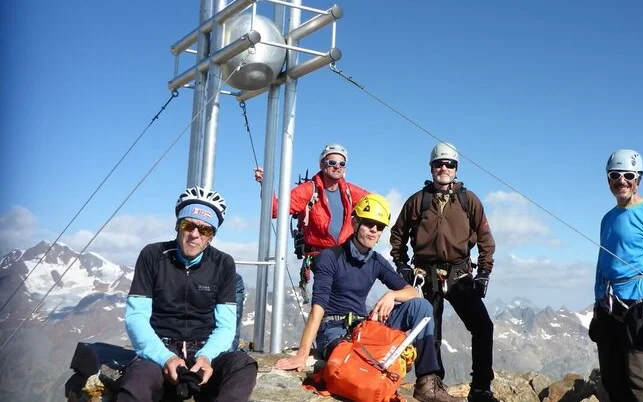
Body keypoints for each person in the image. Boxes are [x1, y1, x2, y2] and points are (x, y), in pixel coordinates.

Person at [273, 194, 464, 402]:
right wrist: (302, 354)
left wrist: (392, 295)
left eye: (379, 227)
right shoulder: (331, 257)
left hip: (363, 326)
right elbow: (318, 307)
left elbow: (410, 291)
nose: (374, 230)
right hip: (333, 329)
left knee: (422, 307)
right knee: (355, 364)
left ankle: (426, 382)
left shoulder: (375, 261)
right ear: (355, 223)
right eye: (369, 224)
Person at [118, 186, 258, 402]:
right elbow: (136, 317)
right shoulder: (152, 255)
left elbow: (226, 325)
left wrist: (206, 356)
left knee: (243, 365)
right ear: (177, 226)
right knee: (136, 384)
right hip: (161, 351)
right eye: (188, 225)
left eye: (205, 230)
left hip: (203, 352)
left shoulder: (223, 264)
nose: (195, 235)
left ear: (211, 236)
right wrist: (165, 358)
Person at [389, 142, 499, 402]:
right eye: (439, 163)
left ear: (456, 169)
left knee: (483, 326)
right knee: (431, 331)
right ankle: (430, 385)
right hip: (426, 274)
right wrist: (402, 264)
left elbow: (486, 239)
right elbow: (398, 235)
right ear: (431, 167)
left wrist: (484, 271)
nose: (444, 168)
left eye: (449, 164)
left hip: (459, 274)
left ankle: (481, 387)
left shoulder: (468, 200)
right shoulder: (418, 201)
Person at [588, 149, 643, 402]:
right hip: (608, 307)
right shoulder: (608, 219)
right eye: (615, 175)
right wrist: (597, 308)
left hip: (639, 309)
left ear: (638, 178)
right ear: (608, 179)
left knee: (640, 382)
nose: (621, 181)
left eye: (628, 175)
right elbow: (602, 265)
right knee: (612, 379)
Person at [253, 143, 368, 300]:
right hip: (320, 255)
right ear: (322, 164)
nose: (337, 167)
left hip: (344, 254)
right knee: (333, 298)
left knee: (348, 297)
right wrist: (266, 185)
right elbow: (275, 210)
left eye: (341, 163)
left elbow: (373, 203)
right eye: (332, 162)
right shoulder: (309, 190)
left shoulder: (348, 190)